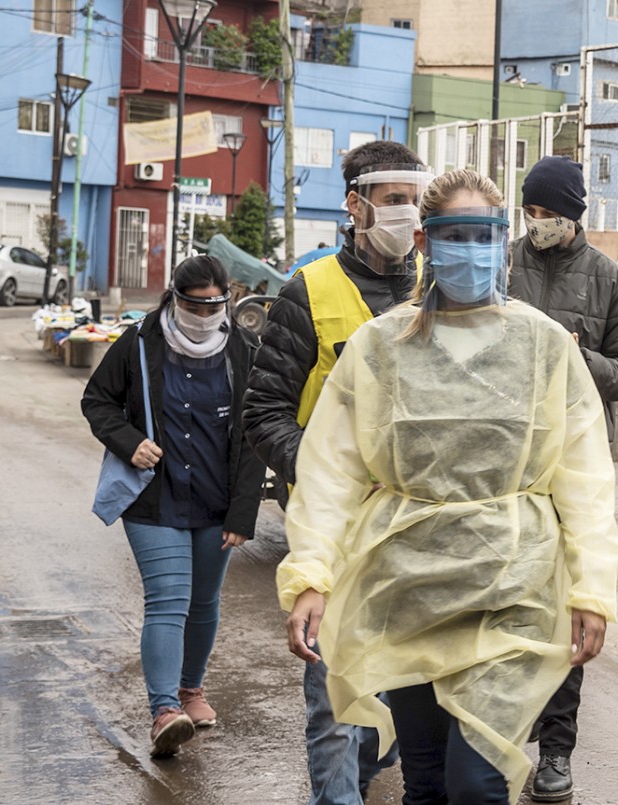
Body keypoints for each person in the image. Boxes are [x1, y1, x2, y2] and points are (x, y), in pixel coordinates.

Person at [277, 168, 618, 803]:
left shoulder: (546, 346)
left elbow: (585, 478)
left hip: (512, 587)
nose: (471, 248)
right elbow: (332, 471)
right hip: (411, 584)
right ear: (425, 243)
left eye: (485, 233)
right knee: (428, 778)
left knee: (479, 780)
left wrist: (593, 587)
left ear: (503, 240)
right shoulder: (380, 347)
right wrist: (310, 574)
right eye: (454, 234)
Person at [244, 139, 431, 802]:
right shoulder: (309, 291)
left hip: (421, 541)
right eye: (394, 200)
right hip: (337, 538)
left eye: (416, 199)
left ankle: (364, 765)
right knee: (333, 710)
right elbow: (264, 411)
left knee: (396, 722)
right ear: (356, 206)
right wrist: (329, 474)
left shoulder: (442, 290)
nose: (410, 214)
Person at [81, 255, 266, 759]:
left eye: (215, 305)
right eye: (194, 304)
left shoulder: (245, 347)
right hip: (153, 497)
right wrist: (127, 440)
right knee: (168, 600)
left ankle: (191, 690)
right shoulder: (141, 341)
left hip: (217, 498)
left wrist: (243, 511)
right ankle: (164, 710)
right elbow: (97, 400)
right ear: (175, 297)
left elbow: (254, 433)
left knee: (204, 603)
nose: (205, 315)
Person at [507, 154, 618, 801]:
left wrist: (578, 356)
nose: (537, 224)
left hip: (573, 465)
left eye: (549, 214)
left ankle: (556, 752)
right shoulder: (502, 264)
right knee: (502, 603)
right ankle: (499, 735)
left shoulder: (609, 280)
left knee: (569, 608)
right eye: (530, 213)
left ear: (575, 217)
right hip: (501, 462)